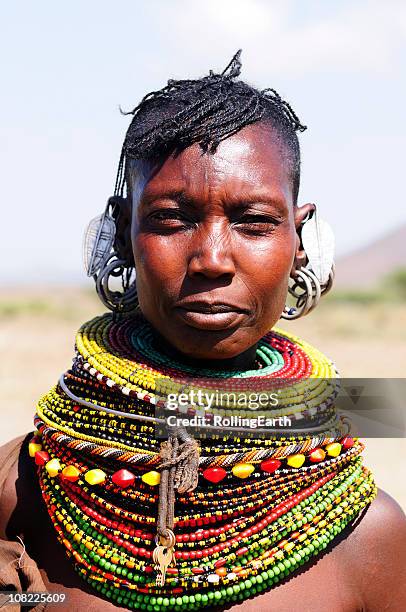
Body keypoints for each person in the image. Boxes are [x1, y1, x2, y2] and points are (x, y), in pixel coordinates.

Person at [1, 50, 405, 612]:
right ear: (122, 234)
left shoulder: (371, 534)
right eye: (171, 218)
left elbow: (382, 409)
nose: (212, 258)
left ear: (302, 240)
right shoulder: (23, 490)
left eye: (255, 222)